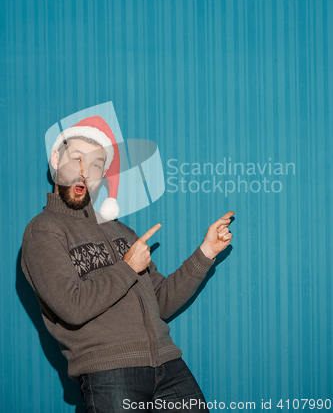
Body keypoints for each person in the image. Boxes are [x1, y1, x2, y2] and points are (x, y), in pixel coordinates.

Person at [22, 115, 234, 413]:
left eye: (96, 165)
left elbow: (161, 301)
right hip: (110, 373)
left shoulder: (123, 232)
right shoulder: (43, 229)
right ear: (56, 159)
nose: (84, 172)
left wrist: (206, 253)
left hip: (168, 365)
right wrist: (127, 268)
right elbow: (72, 306)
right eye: (77, 158)